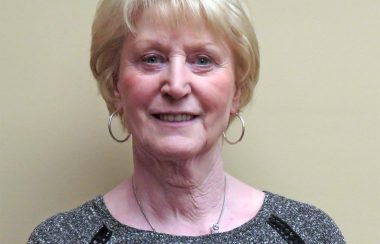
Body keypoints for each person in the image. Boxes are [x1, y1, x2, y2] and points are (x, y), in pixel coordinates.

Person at [28, 0, 345, 243]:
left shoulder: (307, 234)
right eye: (152, 58)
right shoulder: (64, 238)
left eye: (202, 60)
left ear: (237, 90)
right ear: (115, 87)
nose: (177, 85)